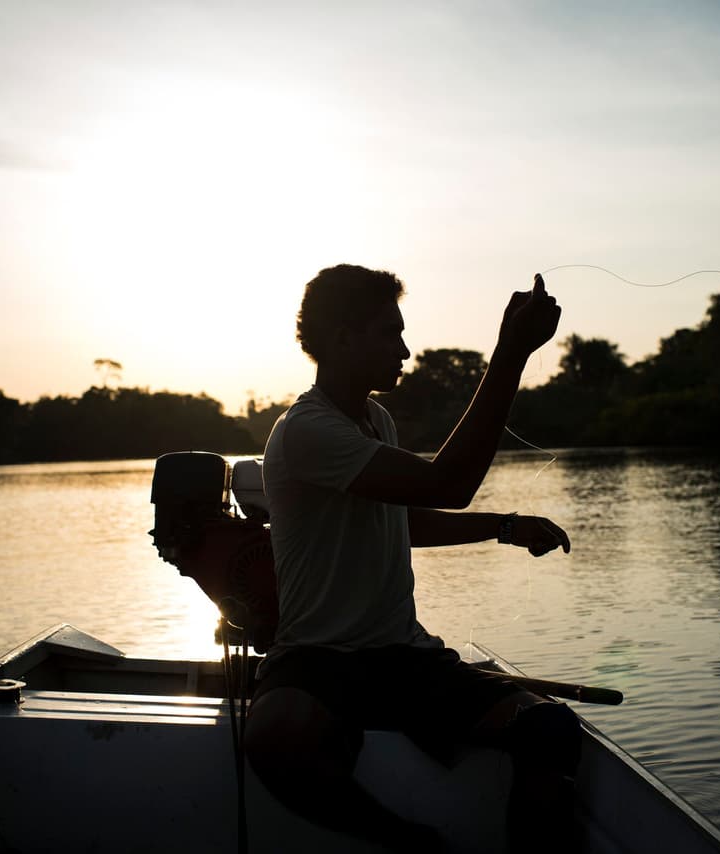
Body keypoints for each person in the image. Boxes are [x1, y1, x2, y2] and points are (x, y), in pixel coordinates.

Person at [245, 264, 580, 852]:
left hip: (401, 657)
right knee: (277, 739)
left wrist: (502, 526)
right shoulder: (305, 431)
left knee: (549, 728)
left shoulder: (376, 419)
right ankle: (413, 846)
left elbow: (400, 521)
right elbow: (448, 484)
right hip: (316, 660)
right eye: (390, 332)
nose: (405, 349)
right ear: (344, 337)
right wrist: (510, 353)